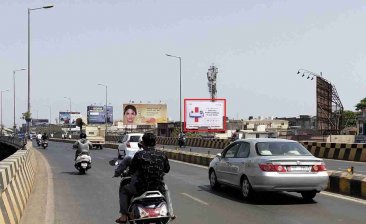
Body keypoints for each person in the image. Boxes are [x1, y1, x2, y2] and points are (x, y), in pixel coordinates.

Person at [115, 133, 173, 223]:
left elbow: (132, 170)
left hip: (140, 189)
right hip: (158, 187)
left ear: (143, 143)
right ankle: (170, 213)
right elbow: (167, 169)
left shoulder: (139, 155)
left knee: (124, 190)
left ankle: (123, 216)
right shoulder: (162, 154)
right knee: (166, 189)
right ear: (155, 143)